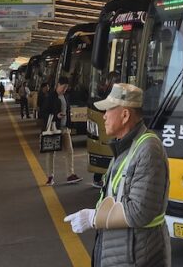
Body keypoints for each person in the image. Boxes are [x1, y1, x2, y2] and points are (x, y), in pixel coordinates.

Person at [64, 84, 170, 267]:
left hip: (136, 257)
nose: (104, 116)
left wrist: (93, 218)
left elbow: (140, 211)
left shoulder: (148, 149)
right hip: (124, 252)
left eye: (108, 110)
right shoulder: (127, 146)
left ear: (125, 115)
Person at [42, 76, 81, 186]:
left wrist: (70, 124)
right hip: (53, 128)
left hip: (64, 128)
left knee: (69, 150)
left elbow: (68, 110)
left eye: (66, 88)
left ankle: (70, 174)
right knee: (51, 152)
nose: (64, 90)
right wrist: (56, 116)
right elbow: (43, 112)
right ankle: (50, 176)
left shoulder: (66, 96)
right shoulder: (50, 97)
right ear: (58, 85)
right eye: (63, 87)